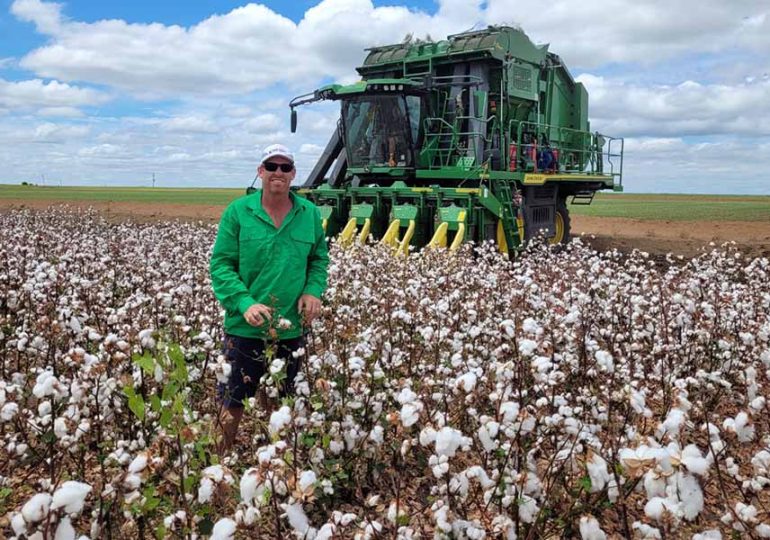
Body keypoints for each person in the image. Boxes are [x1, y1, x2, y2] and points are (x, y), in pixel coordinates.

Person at [209, 143, 329, 453]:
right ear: (260, 171)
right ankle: (216, 467)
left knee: (281, 400)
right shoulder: (238, 212)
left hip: (291, 328)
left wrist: (312, 291)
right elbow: (221, 264)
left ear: (293, 174)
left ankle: (275, 464)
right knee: (232, 400)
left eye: (285, 167)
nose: (278, 172)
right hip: (244, 327)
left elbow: (318, 260)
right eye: (271, 166)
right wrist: (244, 302)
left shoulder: (310, 214)